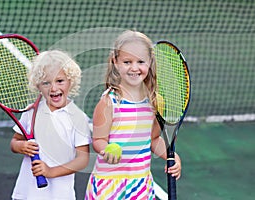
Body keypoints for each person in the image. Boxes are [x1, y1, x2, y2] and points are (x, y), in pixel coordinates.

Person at [85, 30, 181, 199]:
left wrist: (171, 156)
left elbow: (154, 139)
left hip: (140, 185)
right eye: (127, 62)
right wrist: (106, 149)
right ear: (115, 62)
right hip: (109, 184)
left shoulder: (155, 102)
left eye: (141, 62)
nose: (134, 68)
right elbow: (98, 140)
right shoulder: (109, 101)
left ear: (150, 62)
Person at [10, 50, 91, 200]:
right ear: (38, 86)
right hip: (27, 193)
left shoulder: (78, 118)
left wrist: (50, 172)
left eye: (60, 81)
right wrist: (21, 146)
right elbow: (15, 142)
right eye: (46, 83)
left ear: (70, 81)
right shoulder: (31, 112)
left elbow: (82, 160)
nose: (53, 88)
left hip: (60, 195)